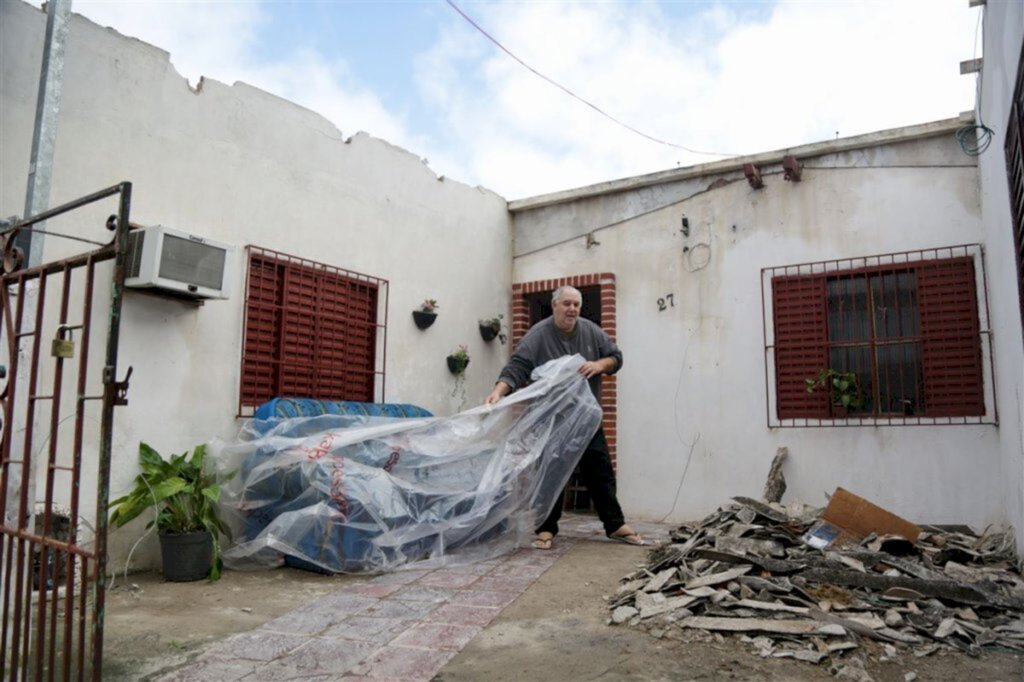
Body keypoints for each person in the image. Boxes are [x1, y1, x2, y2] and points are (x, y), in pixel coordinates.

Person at [485, 285, 645, 550]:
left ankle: (615, 525)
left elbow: (616, 357)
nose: (572, 309)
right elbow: (518, 367)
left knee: (600, 470)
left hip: (585, 418)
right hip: (552, 419)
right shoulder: (538, 334)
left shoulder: (591, 331)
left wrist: (598, 365)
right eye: (567, 304)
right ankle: (546, 529)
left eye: (576, 305)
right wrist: (498, 391)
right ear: (555, 305)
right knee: (550, 472)